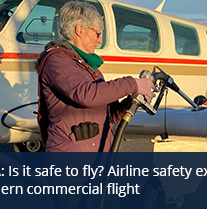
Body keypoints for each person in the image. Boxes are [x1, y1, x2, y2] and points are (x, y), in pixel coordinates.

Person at [36, 1, 156, 152]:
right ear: (80, 30)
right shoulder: (56, 60)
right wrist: (133, 83)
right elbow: (86, 95)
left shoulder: (88, 66)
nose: (99, 41)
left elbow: (111, 116)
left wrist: (131, 100)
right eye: (98, 33)